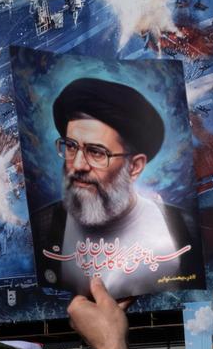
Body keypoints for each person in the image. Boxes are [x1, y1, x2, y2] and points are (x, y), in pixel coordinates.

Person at [30, 77, 202, 299]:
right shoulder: (42, 229)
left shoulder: (185, 230)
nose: (78, 165)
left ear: (134, 166)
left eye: (96, 152)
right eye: (71, 147)